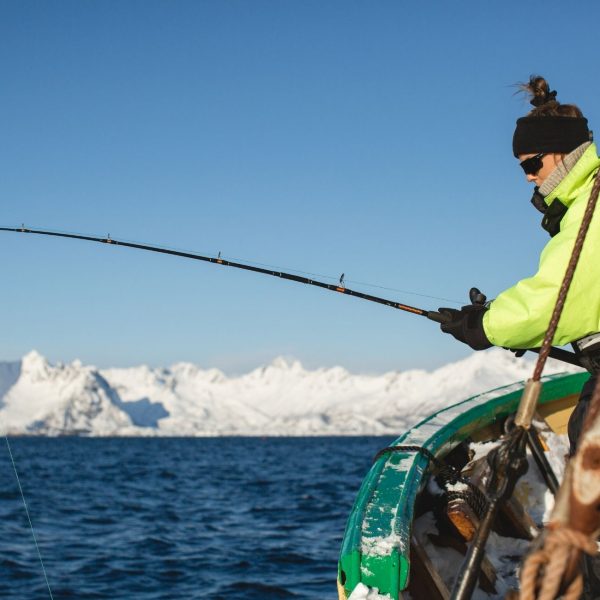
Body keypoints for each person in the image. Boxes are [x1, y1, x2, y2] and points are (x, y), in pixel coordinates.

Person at [438, 75, 600, 596]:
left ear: (563, 154)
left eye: (532, 165)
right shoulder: (581, 207)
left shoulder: (592, 210)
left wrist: (485, 325)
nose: (528, 178)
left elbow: (561, 293)